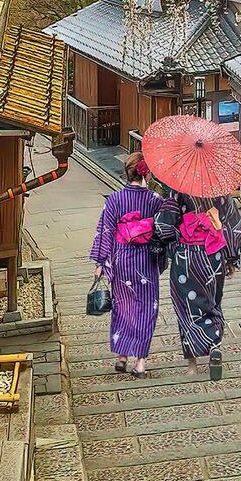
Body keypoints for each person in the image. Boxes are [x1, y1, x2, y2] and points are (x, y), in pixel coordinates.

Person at [155, 183, 241, 380]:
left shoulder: (178, 188)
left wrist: (177, 238)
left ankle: (192, 365)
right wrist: (231, 258)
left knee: (186, 307)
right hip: (213, 255)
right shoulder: (220, 190)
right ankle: (214, 346)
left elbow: (164, 227)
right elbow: (231, 225)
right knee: (212, 301)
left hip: (186, 258)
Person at [89, 154, 169, 377]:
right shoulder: (155, 200)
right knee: (145, 309)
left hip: (122, 258)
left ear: (127, 173)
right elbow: (163, 230)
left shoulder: (114, 199)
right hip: (145, 260)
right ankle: (140, 363)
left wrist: (101, 262)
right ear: (146, 173)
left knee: (123, 306)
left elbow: (105, 232)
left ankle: (122, 356)